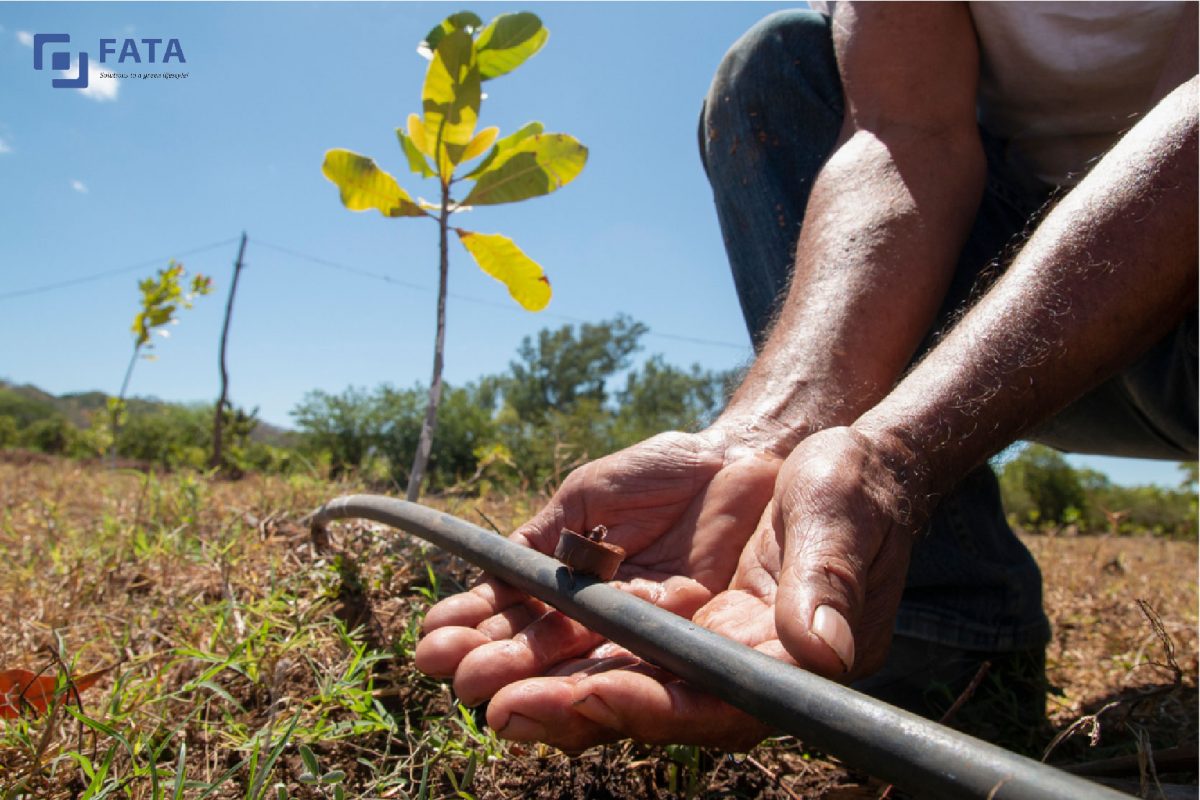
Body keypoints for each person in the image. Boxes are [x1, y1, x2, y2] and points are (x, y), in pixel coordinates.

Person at [414, 2, 1197, 753]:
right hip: (1000, 305)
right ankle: (949, 633)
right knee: (779, 67)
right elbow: (905, 133)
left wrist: (897, 455)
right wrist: (764, 443)